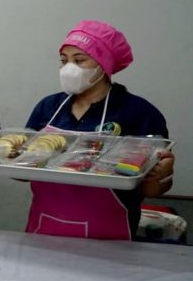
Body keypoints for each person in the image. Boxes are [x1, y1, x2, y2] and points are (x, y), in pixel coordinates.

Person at [25, 20, 175, 240]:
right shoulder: (48, 107)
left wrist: (161, 174)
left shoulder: (138, 112)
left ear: (103, 64)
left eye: (79, 60)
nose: (68, 68)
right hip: (44, 226)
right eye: (64, 61)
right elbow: (21, 169)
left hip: (109, 234)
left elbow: (152, 190)